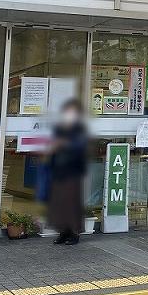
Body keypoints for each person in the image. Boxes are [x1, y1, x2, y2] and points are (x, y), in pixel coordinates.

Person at [48, 99, 88, 245]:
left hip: (73, 170)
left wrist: (65, 144)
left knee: (72, 202)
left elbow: (80, 147)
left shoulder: (79, 129)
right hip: (59, 170)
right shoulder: (59, 128)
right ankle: (63, 232)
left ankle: (74, 233)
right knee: (59, 202)